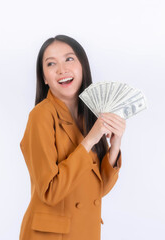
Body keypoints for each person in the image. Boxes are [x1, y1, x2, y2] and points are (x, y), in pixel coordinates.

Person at [19, 34, 126, 240]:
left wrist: (115, 144)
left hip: (84, 231)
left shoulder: (88, 117)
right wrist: (89, 141)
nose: (62, 69)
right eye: (51, 64)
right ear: (44, 78)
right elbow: (50, 192)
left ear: (82, 66)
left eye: (69, 59)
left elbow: (98, 190)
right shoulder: (41, 116)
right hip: (50, 235)